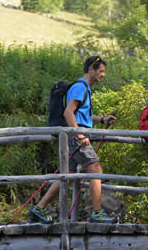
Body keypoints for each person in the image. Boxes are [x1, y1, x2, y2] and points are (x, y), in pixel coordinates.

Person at [29, 56, 117, 224]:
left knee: (68, 175)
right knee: (96, 169)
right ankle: (97, 213)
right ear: (91, 69)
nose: (103, 75)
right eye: (101, 71)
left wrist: (103, 119)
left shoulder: (84, 88)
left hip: (73, 135)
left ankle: (38, 208)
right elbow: (68, 113)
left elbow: (81, 115)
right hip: (76, 136)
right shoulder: (80, 87)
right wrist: (80, 135)